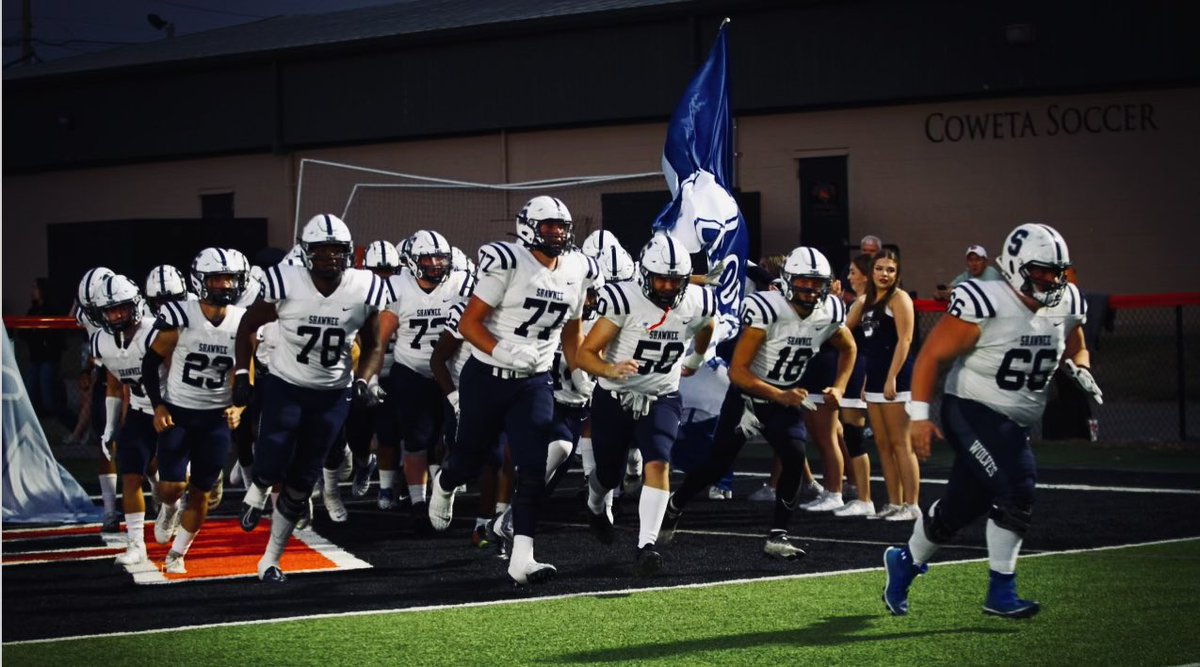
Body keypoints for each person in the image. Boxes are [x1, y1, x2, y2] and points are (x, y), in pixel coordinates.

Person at [882, 223, 1100, 619]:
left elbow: (1076, 341)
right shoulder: (987, 300)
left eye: (1057, 271)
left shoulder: (1066, 300)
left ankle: (904, 562)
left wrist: (1080, 366)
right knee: (1018, 486)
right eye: (1042, 271)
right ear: (1016, 267)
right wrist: (918, 417)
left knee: (960, 509)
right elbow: (932, 356)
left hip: (1013, 420)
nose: (1052, 280)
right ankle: (1001, 592)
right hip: (971, 407)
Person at [425, 195, 591, 585]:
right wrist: (502, 350)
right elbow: (470, 324)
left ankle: (523, 558)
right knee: (468, 459)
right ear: (528, 227)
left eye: (561, 226)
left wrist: (582, 368)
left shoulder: (577, 268)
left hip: (534, 382)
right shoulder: (509, 261)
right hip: (486, 377)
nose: (556, 233)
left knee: (531, 471)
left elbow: (572, 330)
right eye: (548, 225)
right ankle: (445, 483)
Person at [660, 247, 853, 560]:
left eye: (816, 283)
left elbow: (849, 348)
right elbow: (738, 372)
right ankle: (676, 503)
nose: (810, 290)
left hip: (786, 397)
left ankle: (778, 536)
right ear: (788, 280)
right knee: (716, 465)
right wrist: (779, 395)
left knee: (794, 455)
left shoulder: (830, 310)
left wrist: (841, 387)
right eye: (803, 282)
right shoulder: (767, 308)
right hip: (748, 399)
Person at [233, 214, 389, 583]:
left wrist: (365, 379)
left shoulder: (364, 288)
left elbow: (374, 343)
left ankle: (269, 560)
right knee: (271, 454)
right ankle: (255, 493)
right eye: (321, 251)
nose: (329, 258)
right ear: (306, 253)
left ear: (348, 253)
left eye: (336, 251)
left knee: (302, 480)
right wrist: (242, 373)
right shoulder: (285, 281)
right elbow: (246, 326)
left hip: (332, 393)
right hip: (286, 383)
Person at [577, 233, 716, 576]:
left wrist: (696, 359)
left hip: (662, 396)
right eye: (661, 278)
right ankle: (595, 505)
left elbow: (706, 324)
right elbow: (584, 354)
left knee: (658, 462)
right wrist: (610, 369)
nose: (668, 287)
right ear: (644, 274)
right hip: (614, 396)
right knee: (608, 474)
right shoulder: (624, 300)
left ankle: (646, 546)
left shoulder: (696, 300)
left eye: (676, 280)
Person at [141, 248, 250, 574]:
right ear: (200, 281)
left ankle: (177, 553)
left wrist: (240, 406)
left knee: (202, 491)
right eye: (216, 278)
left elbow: (246, 369)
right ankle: (170, 508)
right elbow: (151, 361)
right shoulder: (180, 314)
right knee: (171, 488)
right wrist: (158, 404)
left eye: (229, 278)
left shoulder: (243, 320)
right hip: (180, 412)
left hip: (216, 416)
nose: (224, 285)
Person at [376, 231, 472, 529]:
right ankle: (418, 501)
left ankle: (441, 491)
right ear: (411, 262)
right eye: (427, 258)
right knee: (416, 440)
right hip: (412, 370)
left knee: (453, 438)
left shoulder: (462, 283)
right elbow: (379, 339)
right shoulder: (398, 287)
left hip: (453, 372)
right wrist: (370, 376)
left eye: (440, 258)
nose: (434, 264)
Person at [90, 275, 161, 565]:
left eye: (122, 308)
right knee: (130, 474)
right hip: (140, 411)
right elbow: (115, 383)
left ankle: (168, 502)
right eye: (110, 310)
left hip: (172, 410)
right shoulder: (102, 340)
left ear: (135, 306)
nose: (117, 314)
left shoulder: (154, 332)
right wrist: (109, 428)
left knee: (173, 486)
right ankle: (136, 544)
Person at [847, 249, 920, 521]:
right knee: (882, 444)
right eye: (879, 268)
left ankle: (912, 506)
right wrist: (868, 382)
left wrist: (891, 378)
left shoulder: (900, 299)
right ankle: (893, 502)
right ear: (872, 271)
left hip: (897, 379)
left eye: (890, 270)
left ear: (897, 273)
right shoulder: (867, 302)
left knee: (901, 443)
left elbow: (905, 341)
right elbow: (870, 347)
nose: (884, 274)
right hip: (875, 379)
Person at [832, 253, 876, 517]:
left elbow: (846, 334)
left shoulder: (863, 301)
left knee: (855, 437)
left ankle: (865, 497)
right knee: (851, 435)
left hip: (857, 370)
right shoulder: (863, 301)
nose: (849, 277)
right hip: (857, 369)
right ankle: (863, 495)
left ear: (865, 275)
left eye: (853, 272)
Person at [935, 245, 1003, 301]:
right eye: (971, 260)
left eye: (978, 260)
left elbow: (983, 296)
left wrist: (955, 293)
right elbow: (951, 287)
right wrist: (943, 294)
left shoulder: (991, 272)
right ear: (967, 263)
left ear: (985, 262)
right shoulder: (967, 274)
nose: (974, 264)